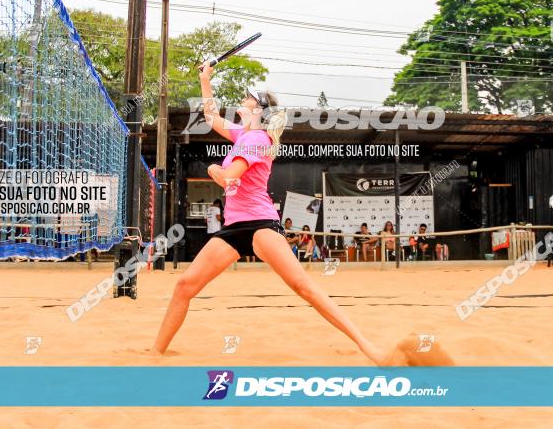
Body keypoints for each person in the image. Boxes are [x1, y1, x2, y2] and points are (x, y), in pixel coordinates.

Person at [153, 62, 387, 365]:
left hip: (260, 225)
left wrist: (212, 168)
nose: (244, 98)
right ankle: (155, 353)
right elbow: (210, 117)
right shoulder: (244, 134)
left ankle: (369, 347)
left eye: (250, 97)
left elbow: (229, 178)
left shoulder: (257, 139)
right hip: (234, 228)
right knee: (185, 286)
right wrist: (205, 79)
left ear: (259, 110)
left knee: (303, 287)